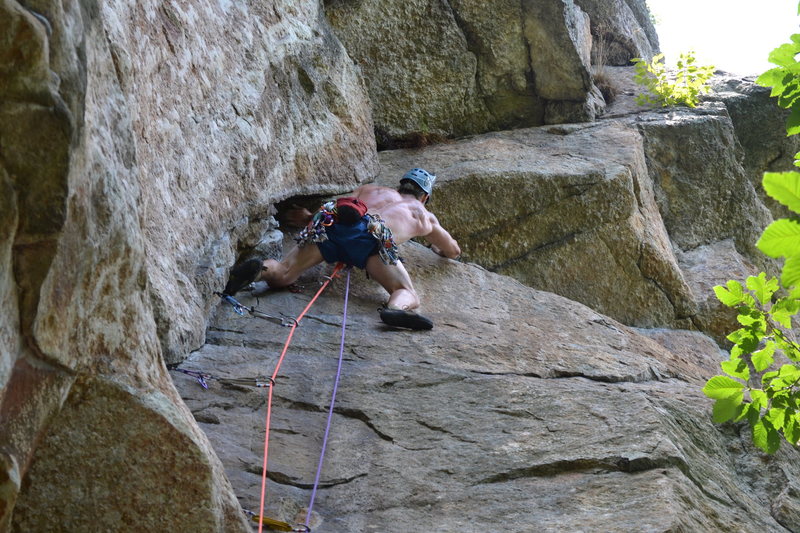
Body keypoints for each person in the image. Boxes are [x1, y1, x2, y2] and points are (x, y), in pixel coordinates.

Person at [224, 168, 460, 330]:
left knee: (284, 273)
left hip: (333, 227)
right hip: (372, 240)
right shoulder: (424, 216)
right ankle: (394, 309)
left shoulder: (370, 190)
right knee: (405, 291)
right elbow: (452, 250)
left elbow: (338, 206)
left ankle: (262, 269)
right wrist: (438, 250)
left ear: (401, 186)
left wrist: (309, 217)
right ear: (425, 196)